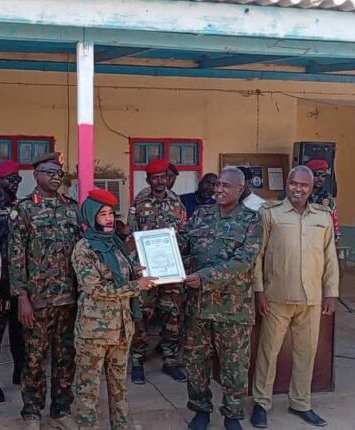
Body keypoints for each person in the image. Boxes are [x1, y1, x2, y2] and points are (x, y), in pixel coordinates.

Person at [250, 165, 339, 429]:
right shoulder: (270, 213)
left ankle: (300, 402)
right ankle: (261, 403)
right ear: (287, 184)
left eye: (304, 185)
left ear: (311, 188)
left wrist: (331, 292)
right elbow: (258, 255)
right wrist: (259, 291)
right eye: (294, 183)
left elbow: (330, 257)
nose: (298, 189)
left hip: (311, 298)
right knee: (268, 352)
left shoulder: (323, 216)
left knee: (306, 353)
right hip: (276, 297)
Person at [178, 167, 263, 430]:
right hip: (198, 306)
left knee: (234, 366)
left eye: (226, 186)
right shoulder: (201, 215)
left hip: (232, 309)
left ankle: (233, 415)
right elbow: (182, 243)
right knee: (195, 362)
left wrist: (204, 276)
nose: (219, 190)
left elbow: (243, 262)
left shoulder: (252, 221)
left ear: (240, 189)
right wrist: (157, 251)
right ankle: (200, 410)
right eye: (217, 185)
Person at [71, 188, 158, 430]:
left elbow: (121, 273)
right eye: (103, 214)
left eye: (111, 213)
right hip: (94, 333)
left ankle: (120, 425)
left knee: (119, 386)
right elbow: (94, 288)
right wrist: (136, 285)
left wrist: (137, 272)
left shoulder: (115, 243)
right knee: (88, 389)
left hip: (121, 329)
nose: (109, 219)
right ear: (91, 217)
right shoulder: (84, 248)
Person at [9, 152, 81, 430]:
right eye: (49, 172)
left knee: (66, 358)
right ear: (36, 175)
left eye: (58, 173)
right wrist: (22, 297)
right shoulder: (23, 209)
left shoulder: (71, 208)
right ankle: (31, 412)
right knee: (34, 359)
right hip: (37, 300)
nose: (55, 177)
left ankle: (60, 410)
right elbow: (16, 256)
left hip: (68, 299)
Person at [127, 158, 187, 384]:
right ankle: (137, 362)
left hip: (171, 271)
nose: (160, 181)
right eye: (155, 178)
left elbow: (183, 232)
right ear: (148, 180)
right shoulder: (140, 202)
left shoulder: (176, 202)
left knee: (172, 315)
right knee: (141, 316)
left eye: (163, 177)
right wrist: (136, 267)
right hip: (147, 271)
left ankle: (171, 361)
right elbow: (132, 234)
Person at [0, 160, 26, 403]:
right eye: (10, 179)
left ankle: (20, 372)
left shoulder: (22, 207)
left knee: (20, 332)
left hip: (19, 281)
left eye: (17, 178)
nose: (14, 183)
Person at [305, 159, 341, 242]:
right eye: (316, 174)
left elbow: (334, 221)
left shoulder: (327, 197)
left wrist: (335, 240)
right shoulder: (301, 195)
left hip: (320, 239)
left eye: (323, 175)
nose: (320, 178)